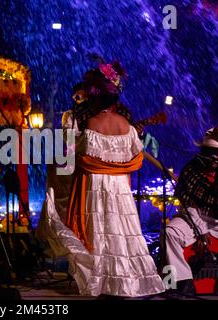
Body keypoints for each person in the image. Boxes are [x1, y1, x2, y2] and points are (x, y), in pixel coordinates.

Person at [42, 60, 165, 298]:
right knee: (123, 229)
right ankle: (130, 281)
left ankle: (103, 280)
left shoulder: (90, 123)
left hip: (96, 185)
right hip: (119, 186)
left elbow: (78, 154)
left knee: (100, 230)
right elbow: (136, 156)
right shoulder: (126, 126)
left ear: (96, 99)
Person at [166, 127, 218, 295]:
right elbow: (189, 206)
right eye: (212, 153)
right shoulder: (190, 171)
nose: (217, 158)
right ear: (203, 152)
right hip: (192, 217)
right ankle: (179, 282)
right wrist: (201, 231)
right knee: (169, 232)